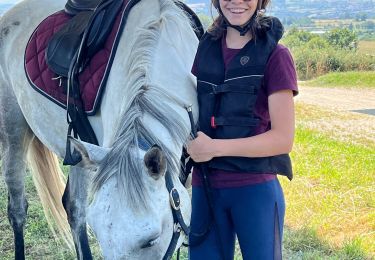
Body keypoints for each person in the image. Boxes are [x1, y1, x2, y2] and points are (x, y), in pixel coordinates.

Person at [186, 0, 298, 259]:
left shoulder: (277, 56)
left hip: (255, 191)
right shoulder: (205, 49)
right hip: (206, 190)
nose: (236, 1)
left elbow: (283, 139)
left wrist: (215, 148)